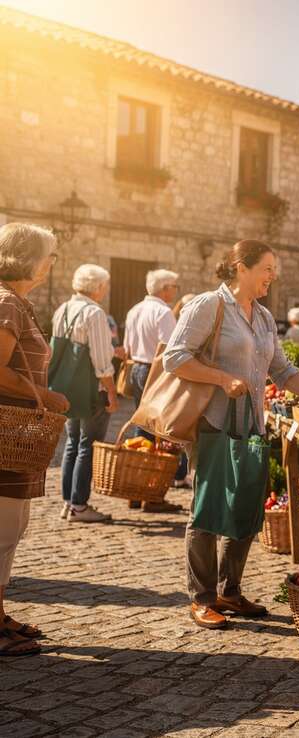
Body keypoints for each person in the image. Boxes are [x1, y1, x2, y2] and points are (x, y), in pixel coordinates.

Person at [162, 240, 299, 629]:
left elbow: (283, 372)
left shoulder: (265, 317)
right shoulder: (209, 306)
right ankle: (201, 598)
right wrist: (221, 378)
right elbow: (174, 357)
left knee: (247, 507)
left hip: (250, 424)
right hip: (213, 423)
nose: (273, 276)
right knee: (208, 507)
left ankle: (229, 591)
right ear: (241, 268)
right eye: (267, 268)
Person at [0, 224, 69, 657]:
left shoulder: (15, 302)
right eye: (50, 253)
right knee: (3, 527)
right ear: (27, 256)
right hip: (6, 432)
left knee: (12, 526)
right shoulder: (7, 303)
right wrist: (43, 395)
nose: (52, 262)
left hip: (17, 435)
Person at [52, 264, 118, 523]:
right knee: (87, 446)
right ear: (99, 287)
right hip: (92, 391)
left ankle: (68, 502)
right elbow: (101, 362)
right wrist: (112, 393)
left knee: (72, 444)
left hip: (68, 389)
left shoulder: (63, 310)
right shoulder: (94, 313)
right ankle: (80, 505)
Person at [123, 269, 187, 507]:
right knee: (158, 432)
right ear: (165, 289)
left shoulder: (134, 310)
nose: (175, 291)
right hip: (155, 372)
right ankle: (151, 494)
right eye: (175, 287)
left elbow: (127, 346)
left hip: (137, 369)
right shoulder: (163, 312)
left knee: (142, 429)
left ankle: (136, 490)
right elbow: (170, 351)